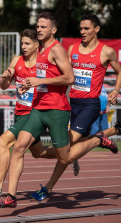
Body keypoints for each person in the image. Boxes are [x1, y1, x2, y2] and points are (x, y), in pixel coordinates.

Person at [30, 14, 121, 202]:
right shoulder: (72, 49)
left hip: (90, 105)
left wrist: (115, 90)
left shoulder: (107, 52)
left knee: (68, 151)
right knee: (67, 150)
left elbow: (119, 71)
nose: (82, 32)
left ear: (96, 29)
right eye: (81, 28)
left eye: (87, 28)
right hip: (72, 103)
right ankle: (110, 133)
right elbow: (63, 74)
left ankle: (98, 140)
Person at [0, 12, 75, 208]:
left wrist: (40, 81)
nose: (39, 29)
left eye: (43, 27)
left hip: (57, 109)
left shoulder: (57, 49)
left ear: (53, 30)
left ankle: (96, 140)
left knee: (65, 157)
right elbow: (41, 78)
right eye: (38, 26)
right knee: (19, 148)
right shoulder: (41, 51)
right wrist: (29, 85)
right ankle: (11, 196)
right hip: (37, 108)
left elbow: (69, 78)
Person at [0, 29, 56, 197]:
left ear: (37, 45)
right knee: (39, 152)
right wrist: (5, 77)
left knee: (3, 142)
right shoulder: (17, 61)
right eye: (22, 43)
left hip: (34, 114)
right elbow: (3, 86)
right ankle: (68, 154)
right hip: (19, 113)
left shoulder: (43, 64)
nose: (24, 46)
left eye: (27, 43)